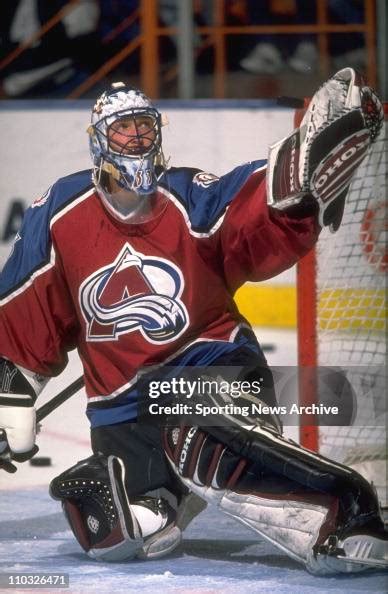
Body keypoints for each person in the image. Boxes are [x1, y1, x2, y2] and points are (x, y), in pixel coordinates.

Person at [0, 70, 387, 573]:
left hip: (215, 371)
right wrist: (11, 389)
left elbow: (251, 209)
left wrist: (292, 179)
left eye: (144, 127)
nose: (136, 138)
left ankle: (346, 509)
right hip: (120, 410)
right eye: (123, 129)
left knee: (193, 431)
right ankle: (168, 498)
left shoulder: (189, 195)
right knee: (118, 528)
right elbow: (29, 300)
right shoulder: (60, 212)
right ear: (99, 143)